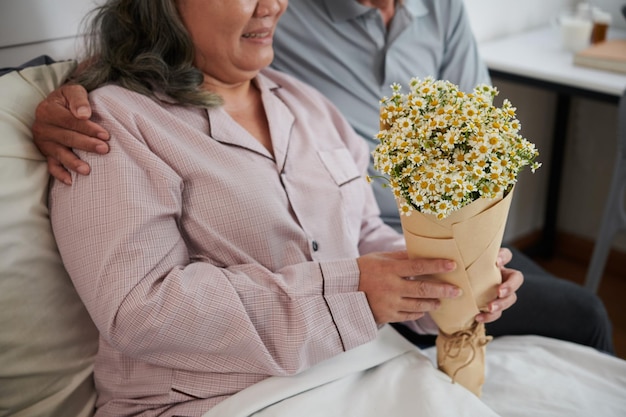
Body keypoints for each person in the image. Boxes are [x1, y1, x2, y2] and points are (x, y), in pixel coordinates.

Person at [32, 0, 614, 353]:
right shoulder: (116, 123)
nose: (273, 6)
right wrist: (66, 94)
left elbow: (365, 231)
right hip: (233, 394)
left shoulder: (307, 105)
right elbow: (140, 311)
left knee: (569, 316)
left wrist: (443, 281)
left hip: (381, 306)